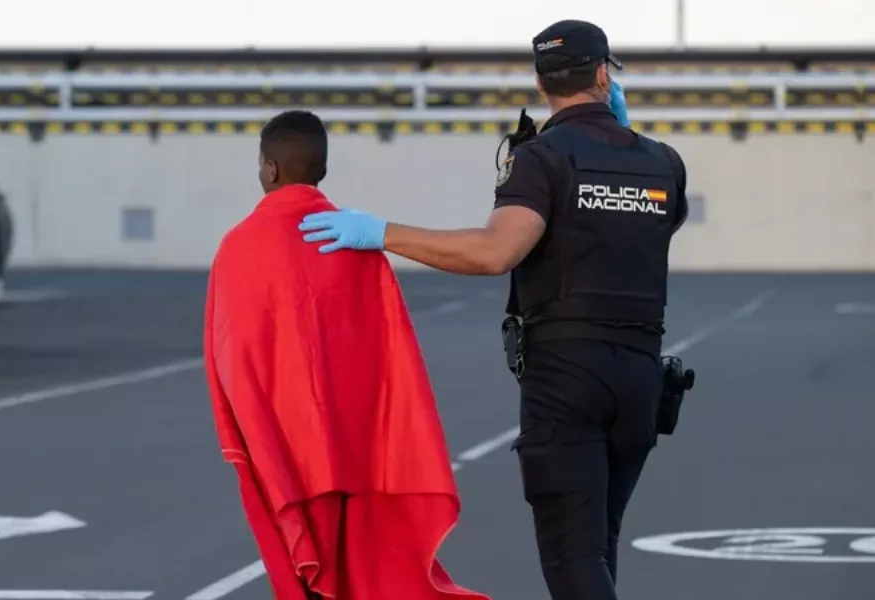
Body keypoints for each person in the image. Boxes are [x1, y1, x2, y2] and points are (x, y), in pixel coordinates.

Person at [297, 20, 691, 600]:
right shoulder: (665, 162)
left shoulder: (543, 157)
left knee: (573, 561)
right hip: (638, 377)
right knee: (598, 549)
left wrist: (381, 232)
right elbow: (660, 222)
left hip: (567, 378)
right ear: (605, 75)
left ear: (539, 81)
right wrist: (626, 148)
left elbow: (495, 252)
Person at [203, 110, 488, 600]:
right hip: (355, 444)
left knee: (302, 566)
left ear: (269, 170)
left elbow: (231, 355)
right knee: (361, 568)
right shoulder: (356, 239)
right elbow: (389, 352)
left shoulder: (238, 246)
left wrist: (250, 433)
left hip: (283, 442)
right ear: (322, 169)